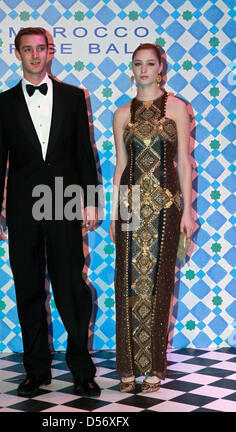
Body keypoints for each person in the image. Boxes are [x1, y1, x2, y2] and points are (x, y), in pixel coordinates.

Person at [0, 27, 101, 398]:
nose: (36, 55)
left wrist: (91, 199)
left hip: (65, 201)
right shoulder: (1, 102)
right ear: (17, 53)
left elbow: (85, 153)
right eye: (28, 49)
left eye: (41, 49)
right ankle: (36, 371)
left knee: (71, 287)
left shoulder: (73, 96)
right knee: (29, 287)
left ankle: (82, 369)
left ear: (49, 52)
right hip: (22, 208)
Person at [109, 43, 195, 393]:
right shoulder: (120, 113)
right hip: (130, 207)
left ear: (161, 67)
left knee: (159, 287)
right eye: (137, 64)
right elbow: (120, 165)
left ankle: (155, 370)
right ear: (132, 68)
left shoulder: (177, 108)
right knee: (125, 285)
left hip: (166, 207)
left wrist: (188, 209)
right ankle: (127, 368)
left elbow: (185, 165)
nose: (143, 70)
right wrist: (115, 213)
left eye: (150, 63)